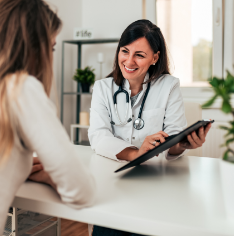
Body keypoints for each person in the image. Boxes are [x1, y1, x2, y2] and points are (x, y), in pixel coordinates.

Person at [0, 0, 95, 236]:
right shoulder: (20, 88)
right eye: (51, 47)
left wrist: (20, 168)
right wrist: (47, 176)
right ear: (34, 48)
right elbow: (81, 192)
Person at [88, 19, 211, 236]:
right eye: (124, 51)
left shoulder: (168, 85)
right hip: (114, 182)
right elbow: (98, 136)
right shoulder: (103, 88)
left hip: (156, 184)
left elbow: (173, 137)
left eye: (140, 55)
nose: (129, 60)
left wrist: (183, 144)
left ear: (155, 57)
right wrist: (136, 153)